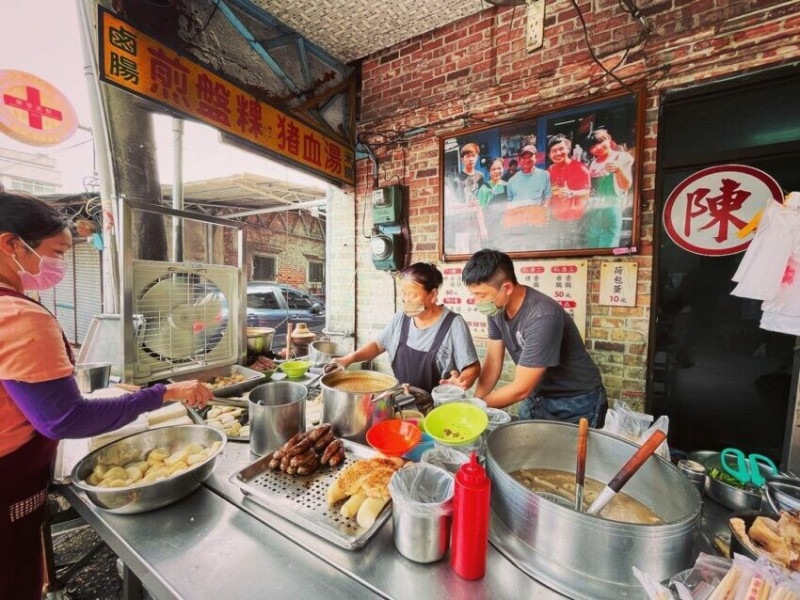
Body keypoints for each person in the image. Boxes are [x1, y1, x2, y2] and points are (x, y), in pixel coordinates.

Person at [0, 191, 212, 600]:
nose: (59, 264)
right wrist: (163, 393)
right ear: (11, 244)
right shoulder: (19, 316)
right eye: (57, 252)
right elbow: (64, 419)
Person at [462, 249, 607, 427]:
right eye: (474, 295)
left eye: (481, 295)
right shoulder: (496, 309)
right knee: (526, 450)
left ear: (506, 288)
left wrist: (475, 407)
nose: (477, 302)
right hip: (537, 395)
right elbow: (492, 362)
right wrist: (477, 399)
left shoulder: (542, 316)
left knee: (566, 454)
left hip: (575, 401)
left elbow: (521, 388)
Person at [334, 262, 480, 393]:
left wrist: (462, 380)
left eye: (413, 295)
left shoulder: (453, 324)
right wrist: (348, 359)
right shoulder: (401, 318)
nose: (407, 300)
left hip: (439, 408)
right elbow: (378, 346)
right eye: (404, 294)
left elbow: (472, 367)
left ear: (433, 294)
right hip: (403, 399)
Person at [585, 128, 634, 248]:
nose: (598, 147)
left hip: (612, 211)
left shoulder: (622, 157)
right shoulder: (591, 163)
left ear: (609, 139)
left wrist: (618, 170)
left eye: (601, 142)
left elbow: (626, 186)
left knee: (607, 248)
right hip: (594, 212)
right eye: (593, 146)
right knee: (591, 248)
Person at [547, 134, 591, 248]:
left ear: (568, 149)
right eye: (554, 151)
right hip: (555, 219)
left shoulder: (580, 168)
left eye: (561, 149)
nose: (557, 153)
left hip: (574, 221)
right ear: (549, 154)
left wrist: (571, 192)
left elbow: (587, 191)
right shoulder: (551, 169)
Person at [505, 144, 552, 251]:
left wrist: (544, 211)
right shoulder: (512, 180)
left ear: (536, 157)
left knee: (538, 249)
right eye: (524, 157)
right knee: (521, 250)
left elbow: (548, 196)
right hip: (519, 221)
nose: (527, 160)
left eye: (530, 156)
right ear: (520, 160)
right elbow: (509, 201)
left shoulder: (544, 175)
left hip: (537, 220)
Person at [446, 143, 487, 252]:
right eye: (468, 156)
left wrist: (482, 227)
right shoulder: (457, 180)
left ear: (477, 157)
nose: (471, 159)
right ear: (462, 159)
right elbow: (452, 205)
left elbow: (481, 204)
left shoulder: (480, 176)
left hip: (476, 224)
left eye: (473, 155)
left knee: (477, 253)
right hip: (461, 225)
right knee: (463, 254)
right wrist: (468, 205)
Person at [476, 158, 509, 244]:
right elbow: (479, 210)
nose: (497, 171)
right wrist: (483, 229)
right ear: (489, 171)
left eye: (499, 168)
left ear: (503, 168)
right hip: (489, 227)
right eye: (493, 169)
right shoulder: (484, 189)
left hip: (505, 226)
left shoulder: (507, 186)